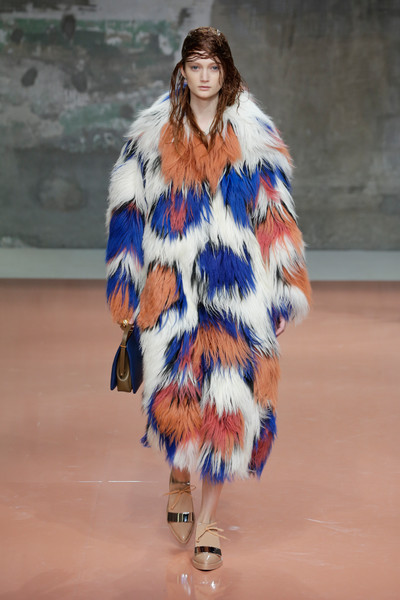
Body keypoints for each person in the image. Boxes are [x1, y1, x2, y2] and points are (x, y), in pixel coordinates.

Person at [105, 26, 311, 571]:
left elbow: (276, 213)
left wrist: (283, 289)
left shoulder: (255, 133)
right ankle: (179, 474)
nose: (203, 76)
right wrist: (125, 286)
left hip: (235, 287)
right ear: (183, 70)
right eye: (194, 65)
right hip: (170, 285)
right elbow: (128, 213)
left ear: (226, 71)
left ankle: (209, 521)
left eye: (212, 67)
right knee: (173, 391)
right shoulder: (152, 133)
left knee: (228, 398)